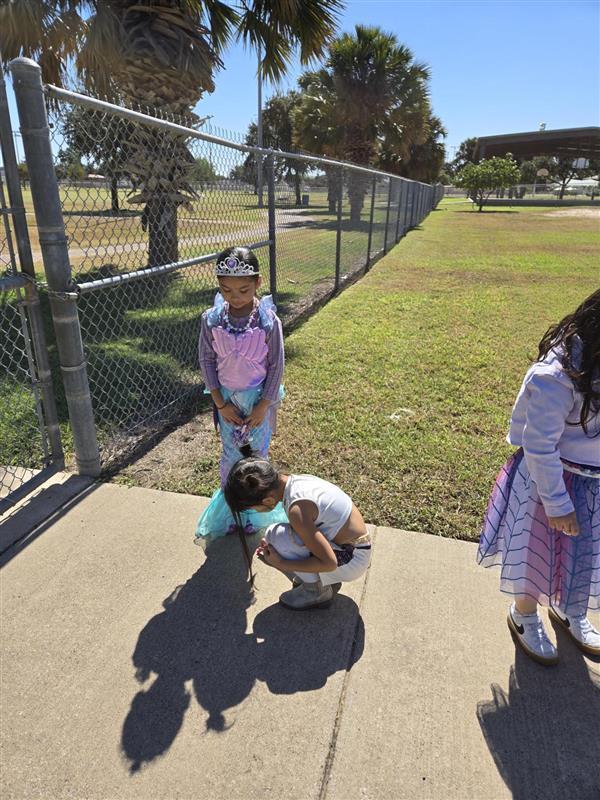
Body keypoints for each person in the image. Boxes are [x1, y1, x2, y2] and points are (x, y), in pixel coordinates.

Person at [478, 289, 600, 664]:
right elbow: (539, 443)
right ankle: (524, 613)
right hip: (548, 483)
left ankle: (571, 610)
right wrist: (557, 503)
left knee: (582, 555)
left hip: (593, 484)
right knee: (534, 554)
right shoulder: (558, 374)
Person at [195, 247, 287, 550]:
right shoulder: (211, 320)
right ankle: (232, 512)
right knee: (231, 455)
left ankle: (254, 512)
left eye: (244, 289)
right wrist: (221, 402)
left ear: (258, 283)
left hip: (258, 400)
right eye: (226, 289)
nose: (235, 296)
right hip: (228, 403)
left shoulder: (267, 321)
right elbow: (206, 361)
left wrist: (263, 405)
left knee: (255, 456)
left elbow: (276, 364)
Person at [224, 457, 372, 608]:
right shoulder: (296, 482)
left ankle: (316, 591)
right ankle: (319, 580)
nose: (254, 512)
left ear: (268, 500)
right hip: (355, 549)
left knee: (277, 536)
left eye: (252, 508)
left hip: (352, 559)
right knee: (276, 539)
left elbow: (329, 563)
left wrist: (281, 563)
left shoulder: (297, 510)